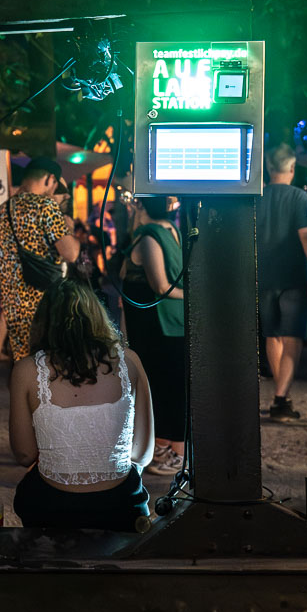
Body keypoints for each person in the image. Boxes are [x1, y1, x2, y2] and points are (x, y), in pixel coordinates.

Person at [9, 279, 153, 529]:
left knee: (28, 493)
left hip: (53, 509)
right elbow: (142, 453)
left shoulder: (26, 370)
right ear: (97, 316)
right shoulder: (129, 361)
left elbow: (24, 454)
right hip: (120, 506)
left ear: (44, 323)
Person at [0, 156, 80, 361]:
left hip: (13, 307)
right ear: (49, 179)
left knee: (21, 368)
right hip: (44, 305)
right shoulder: (46, 207)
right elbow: (71, 253)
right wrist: (70, 230)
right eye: (55, 185)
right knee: (47, 369)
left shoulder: (1, 211)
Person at [121, 194, 185, 475]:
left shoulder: (150, 237)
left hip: (158, 323)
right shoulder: (173, 230)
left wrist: (194, 295)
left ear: (142, 205)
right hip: (171, 323)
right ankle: (172, 450)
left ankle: (167, 451)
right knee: (173, 382)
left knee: (160, 384)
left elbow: (160, 286)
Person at [257, 144, 307, 421]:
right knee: (293, 336)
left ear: (269, 168)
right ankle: (281, 398)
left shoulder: (256, 197)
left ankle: (281, 395)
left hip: (263, 276)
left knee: (273, 335)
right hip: (293, 276)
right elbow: (306, 234)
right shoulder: (299, 197)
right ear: (292, 169)